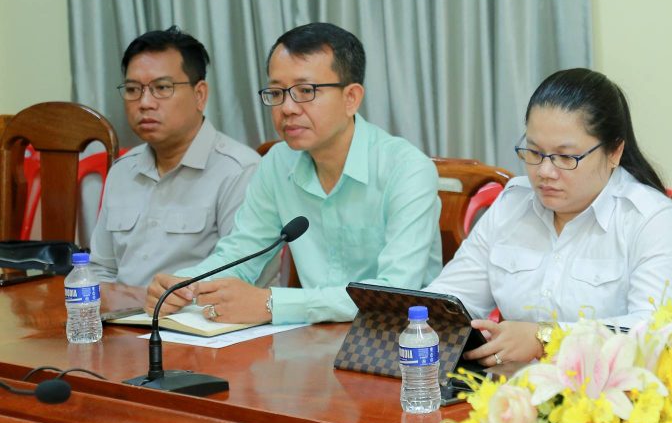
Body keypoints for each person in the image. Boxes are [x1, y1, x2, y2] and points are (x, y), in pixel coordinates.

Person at [145, 22, 442, 324]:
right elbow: (241, 254)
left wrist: (273, 304)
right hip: (311, 336)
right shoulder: (277, 162)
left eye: (305, 91)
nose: (287, 108)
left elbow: (396, 291)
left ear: (351, 98)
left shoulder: (407, 169)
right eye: (276, 92)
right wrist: (185, 285)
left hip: (402, 339)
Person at [427, 68, 672, 368]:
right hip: (507, 389)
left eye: (566, 157)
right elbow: (448, 301)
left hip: (612, 392)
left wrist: (546, 338)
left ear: (614, 152)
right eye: (534, 153)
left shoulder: (653, 221)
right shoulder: (512, 205)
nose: (545, 172)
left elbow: (659, 335)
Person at [90, 27, 260, 287]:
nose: (145, 102)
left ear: (199, 95)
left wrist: (162, 303)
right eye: (133, 89)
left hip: (196, 311)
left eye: (162, 88)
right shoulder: (122, 170)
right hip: (121, 311)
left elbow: (242, 277)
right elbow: (101, 269)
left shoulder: (239, 170)